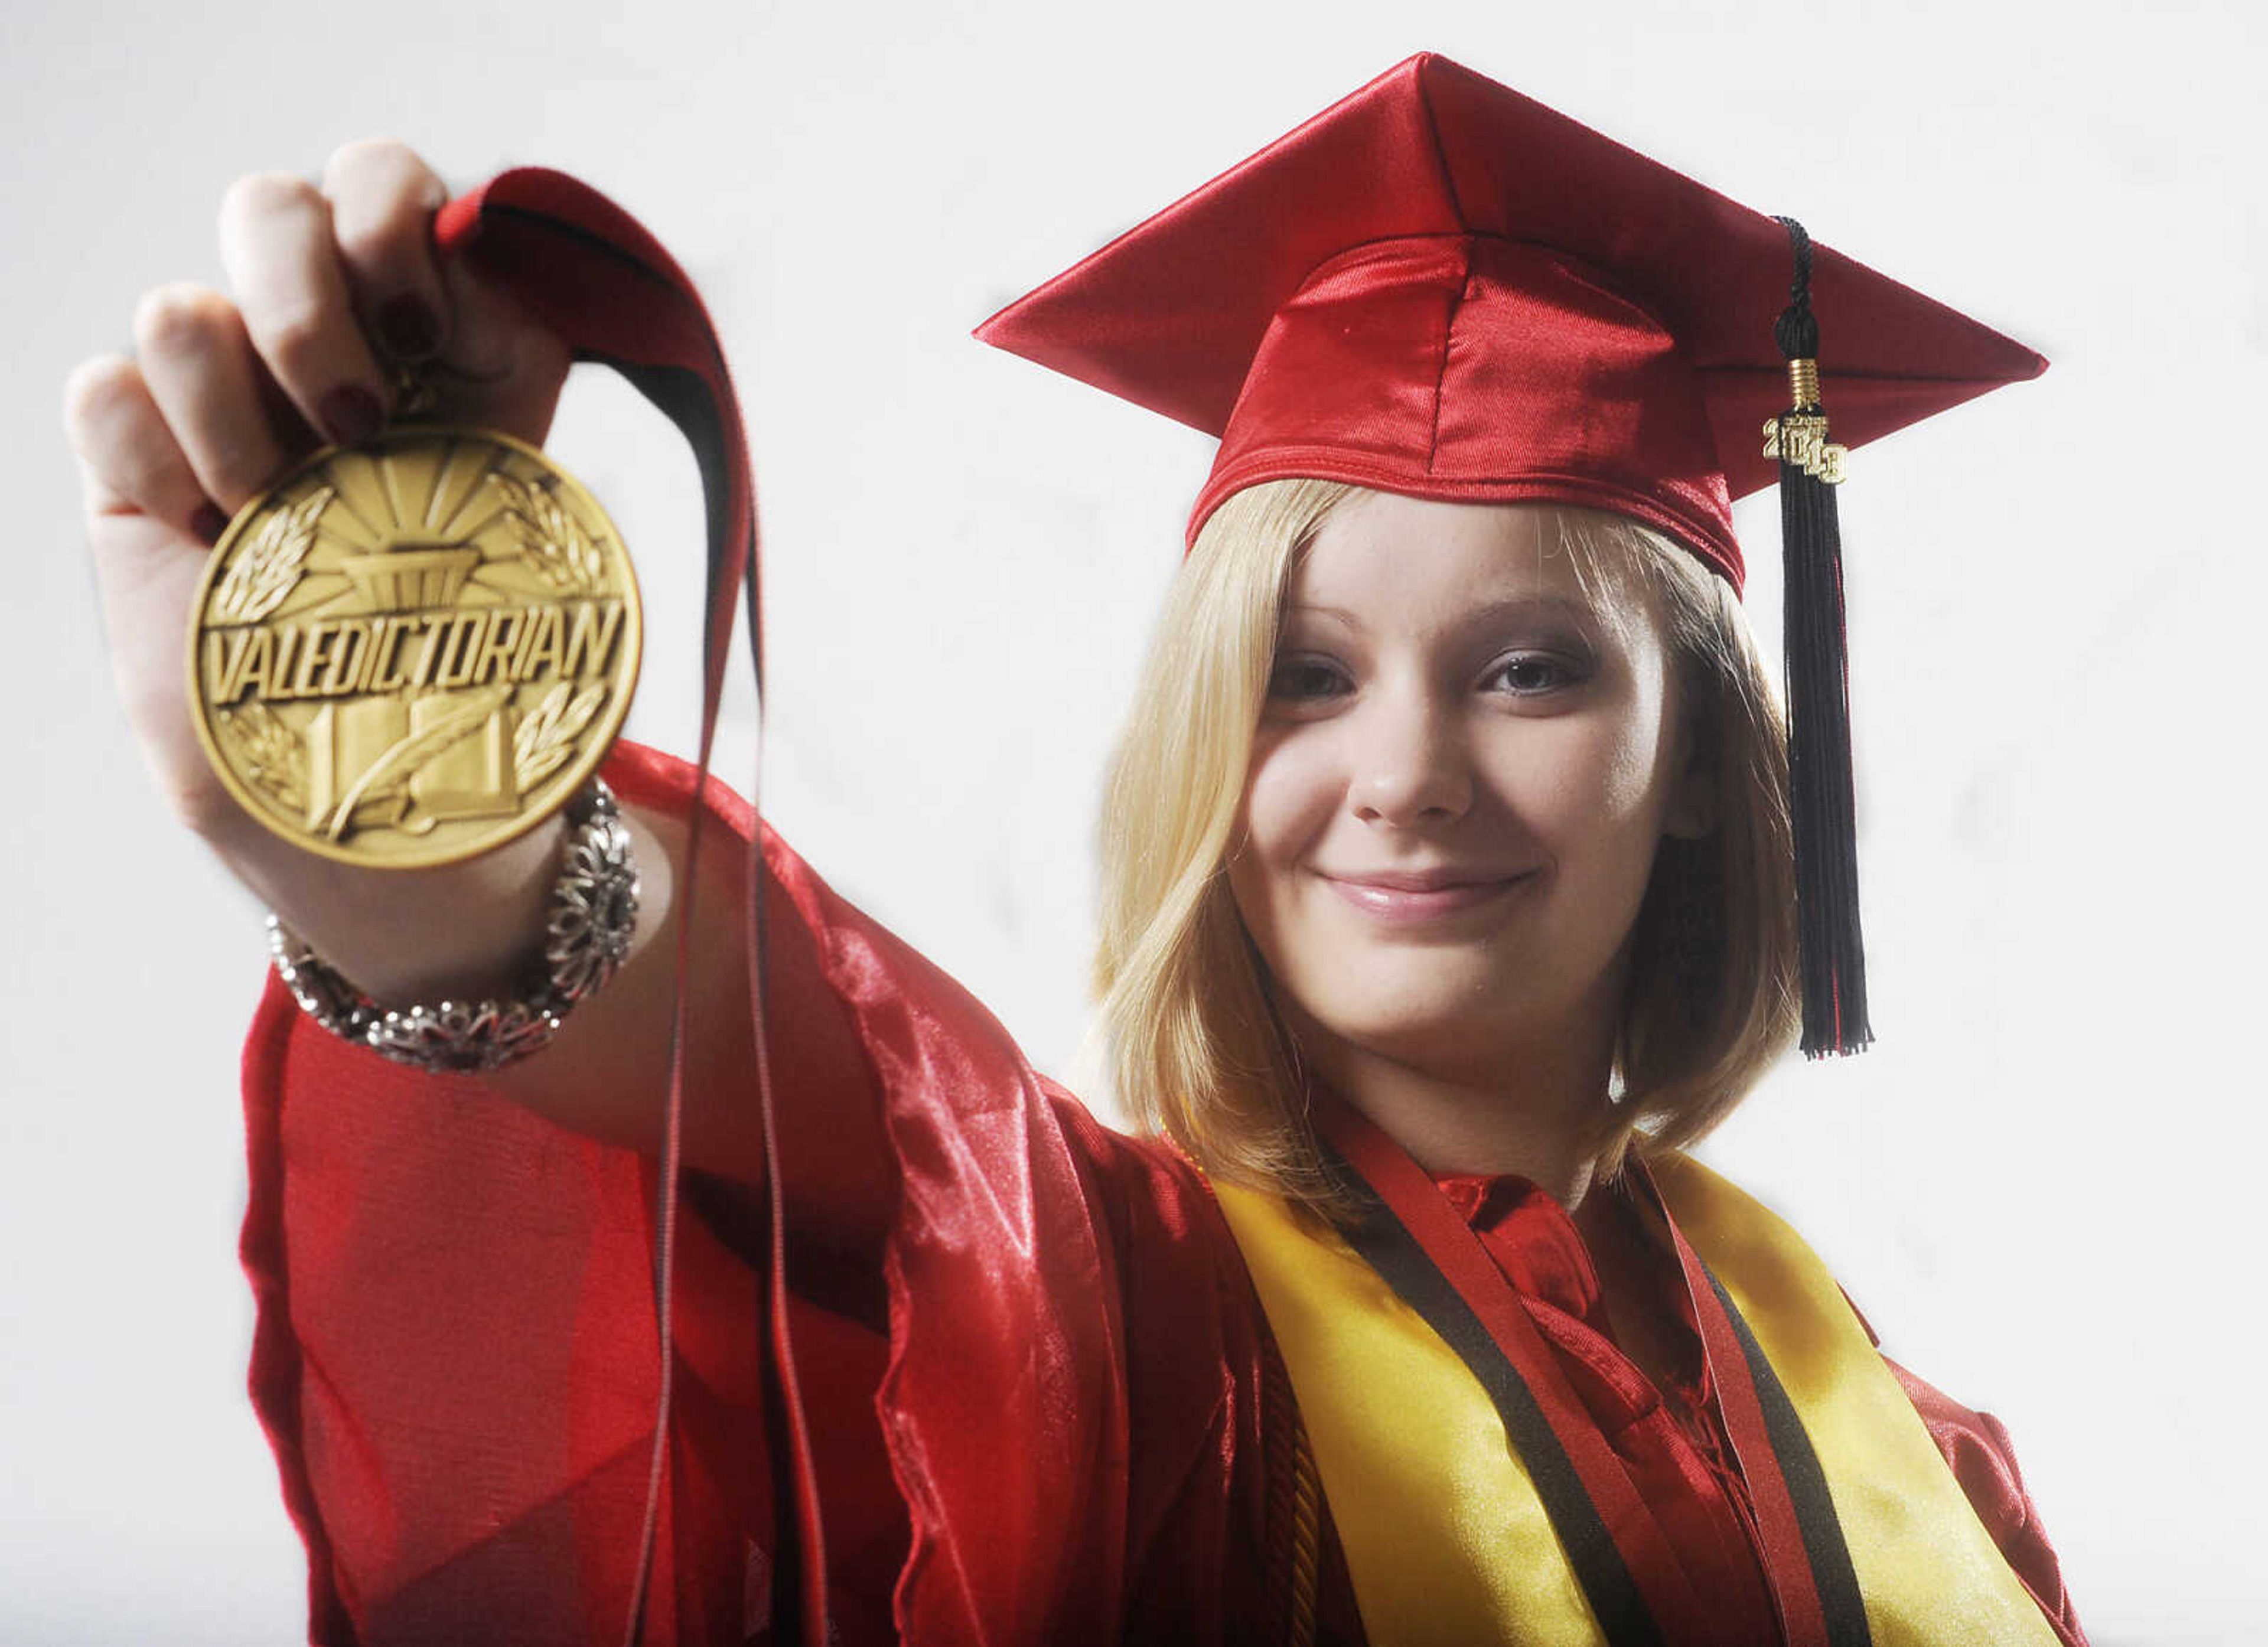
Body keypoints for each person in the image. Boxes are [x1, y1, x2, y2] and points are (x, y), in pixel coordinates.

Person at [63, 52, 2087, 1647]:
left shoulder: (1928, 1463)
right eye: (1302, 679)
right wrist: (414, 807)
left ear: (1716, 755)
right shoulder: (1131, 1331)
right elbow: (807, 1074)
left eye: (1535, 671)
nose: (1404, 774)